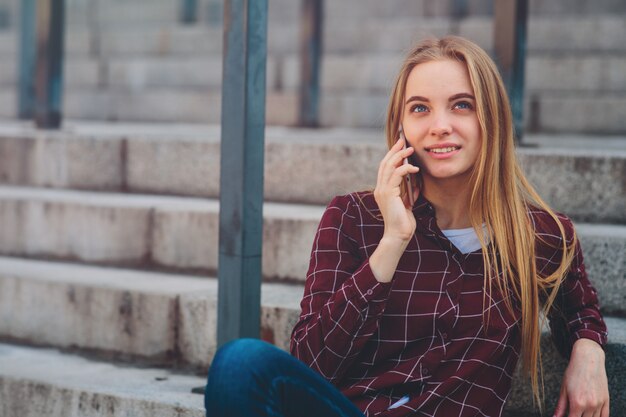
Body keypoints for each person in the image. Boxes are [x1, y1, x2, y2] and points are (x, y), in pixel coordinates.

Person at [204, 36, 609, 417]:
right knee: (240, 363)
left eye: (462, 105)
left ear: (493, 119)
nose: (440, 125)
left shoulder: (539, 235)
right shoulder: (353, 217)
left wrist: (589, 352)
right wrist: (393, 241)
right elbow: (313, 364)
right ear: (401, 127)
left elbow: (581, 310)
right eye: (420, 108)